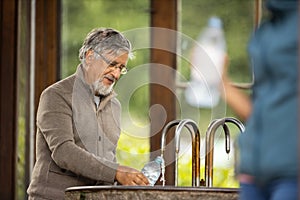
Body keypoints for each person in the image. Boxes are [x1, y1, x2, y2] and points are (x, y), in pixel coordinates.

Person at [27, 28, 149, 199]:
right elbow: (64, 152)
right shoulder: (56, 95)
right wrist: (116, 172)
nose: (116, 74)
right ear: (90, 56)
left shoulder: (115, 106)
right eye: (112, 64)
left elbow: (108, 158)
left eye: (121, 68)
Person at [221, 0, 298, 199]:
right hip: (254, 173)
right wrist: (221, 82)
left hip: (291, 173)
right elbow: (258, 110)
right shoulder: (266, 31)